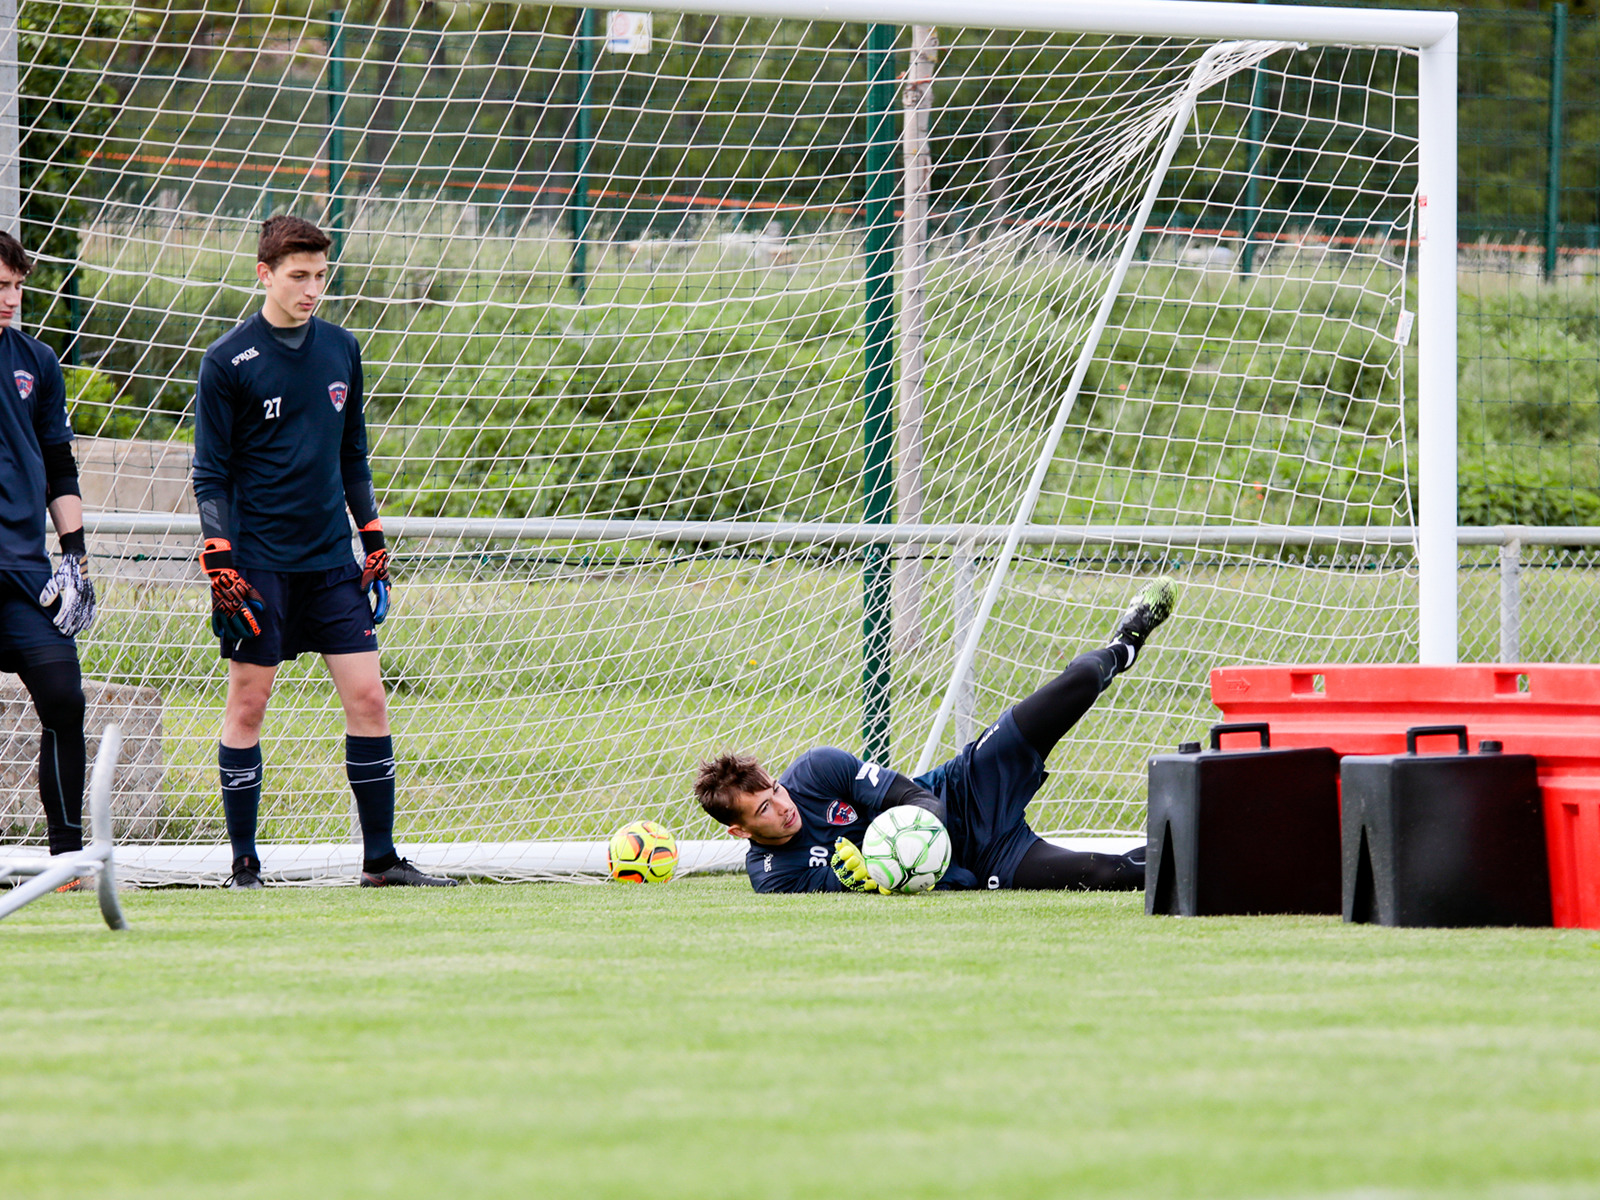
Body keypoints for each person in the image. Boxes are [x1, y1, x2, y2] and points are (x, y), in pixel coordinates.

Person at [191, 214, 454, 890]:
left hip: (332, 562)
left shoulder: (342, 348)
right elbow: (210, 473)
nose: (312, 288)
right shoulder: (227, 361)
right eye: (298, 276)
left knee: (369, 698)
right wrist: (220, 557)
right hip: (258, 567)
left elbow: (352, 456)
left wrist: (371, 537)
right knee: (249, 706)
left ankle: (381, 861)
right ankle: (244, 865)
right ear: (265, 274)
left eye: (320, 276)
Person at [694, 578, 1177, 893]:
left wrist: (923, 828)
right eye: (763, 811)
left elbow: (915, 796)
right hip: (985, 854)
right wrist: (924, 872)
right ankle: (1203, 853)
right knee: (1105, 874)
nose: (782, 807)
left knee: (1075, 685)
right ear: (739, 831)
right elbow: (916, 887)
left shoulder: (817, 771)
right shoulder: (777, 878)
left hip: (966, 787)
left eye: (775, 791)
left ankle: (1126, 640)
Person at [0, 231, 96, 862]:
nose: (11, 299)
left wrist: (75, 554)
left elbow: (60, 467)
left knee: (64, 696)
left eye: (17, 287)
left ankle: (67, 860)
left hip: (23, 573)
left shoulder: (36, 361)